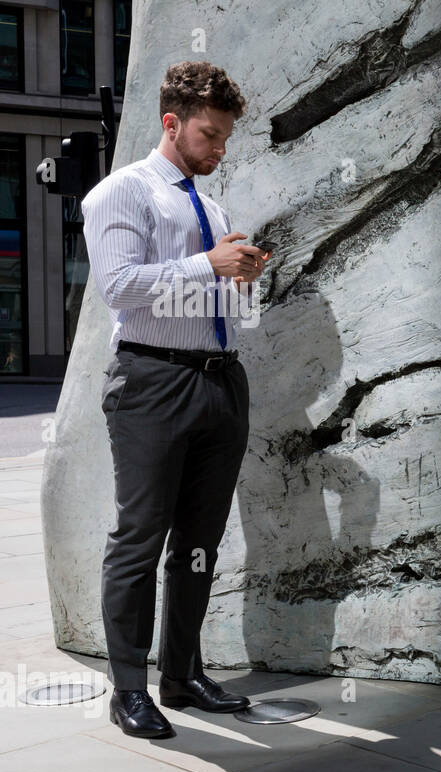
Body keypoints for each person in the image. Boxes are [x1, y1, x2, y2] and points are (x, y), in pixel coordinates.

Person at [81, 61, 269, 737]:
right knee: (139, 536)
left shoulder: (208, 205)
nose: (219, 148)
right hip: (153, 382)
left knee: (199, 540)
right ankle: (128, 688)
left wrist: (237, 275)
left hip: (220, 381)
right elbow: (121, 289)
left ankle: (182, 674)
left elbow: (201, 290)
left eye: (224, 138)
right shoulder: (120, 194)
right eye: (209, 135)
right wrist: (206, 265)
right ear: (172, 123)